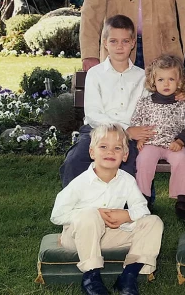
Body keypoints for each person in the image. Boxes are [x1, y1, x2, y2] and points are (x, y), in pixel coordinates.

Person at [51, 124, 164, 295]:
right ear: (92, 152)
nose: (110, 152)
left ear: (125, 155)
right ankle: (91, 276)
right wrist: (94, 213)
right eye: (103, 146)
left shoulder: (127, 180)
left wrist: (127, 215)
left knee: (153, 221)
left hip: (111, 236)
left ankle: (128, 276)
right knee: (89, 215)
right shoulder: (80, 183)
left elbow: (142, 207)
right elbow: (56, 215)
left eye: (117, 148)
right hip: (79, 238)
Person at [59, 15, 156, 187]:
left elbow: (147, 109)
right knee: (74, 161)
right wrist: (126, 129)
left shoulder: (142, 76)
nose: (120, 46)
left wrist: (130, 133)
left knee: (127, 167)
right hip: (96, 131)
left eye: (125, 41)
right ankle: (73, 208)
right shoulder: (95, 74)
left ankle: (124, 209)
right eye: (113, 41)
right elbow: (93, 114)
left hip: (129, 138)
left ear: (133, 43)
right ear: (105, 43)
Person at [130, 54, 185, 222]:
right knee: (143, 161)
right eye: (161, 79)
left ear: (179, 81)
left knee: (183, 161)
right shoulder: (145, 102)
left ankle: (182, 201)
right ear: (153, 81)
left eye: (171, 79)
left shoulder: (182, 103)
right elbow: (136, 122)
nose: (166, 84)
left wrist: (180, 141)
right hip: (151, 143)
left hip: (174, 144)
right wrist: (139, 138)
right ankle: (143, 199)